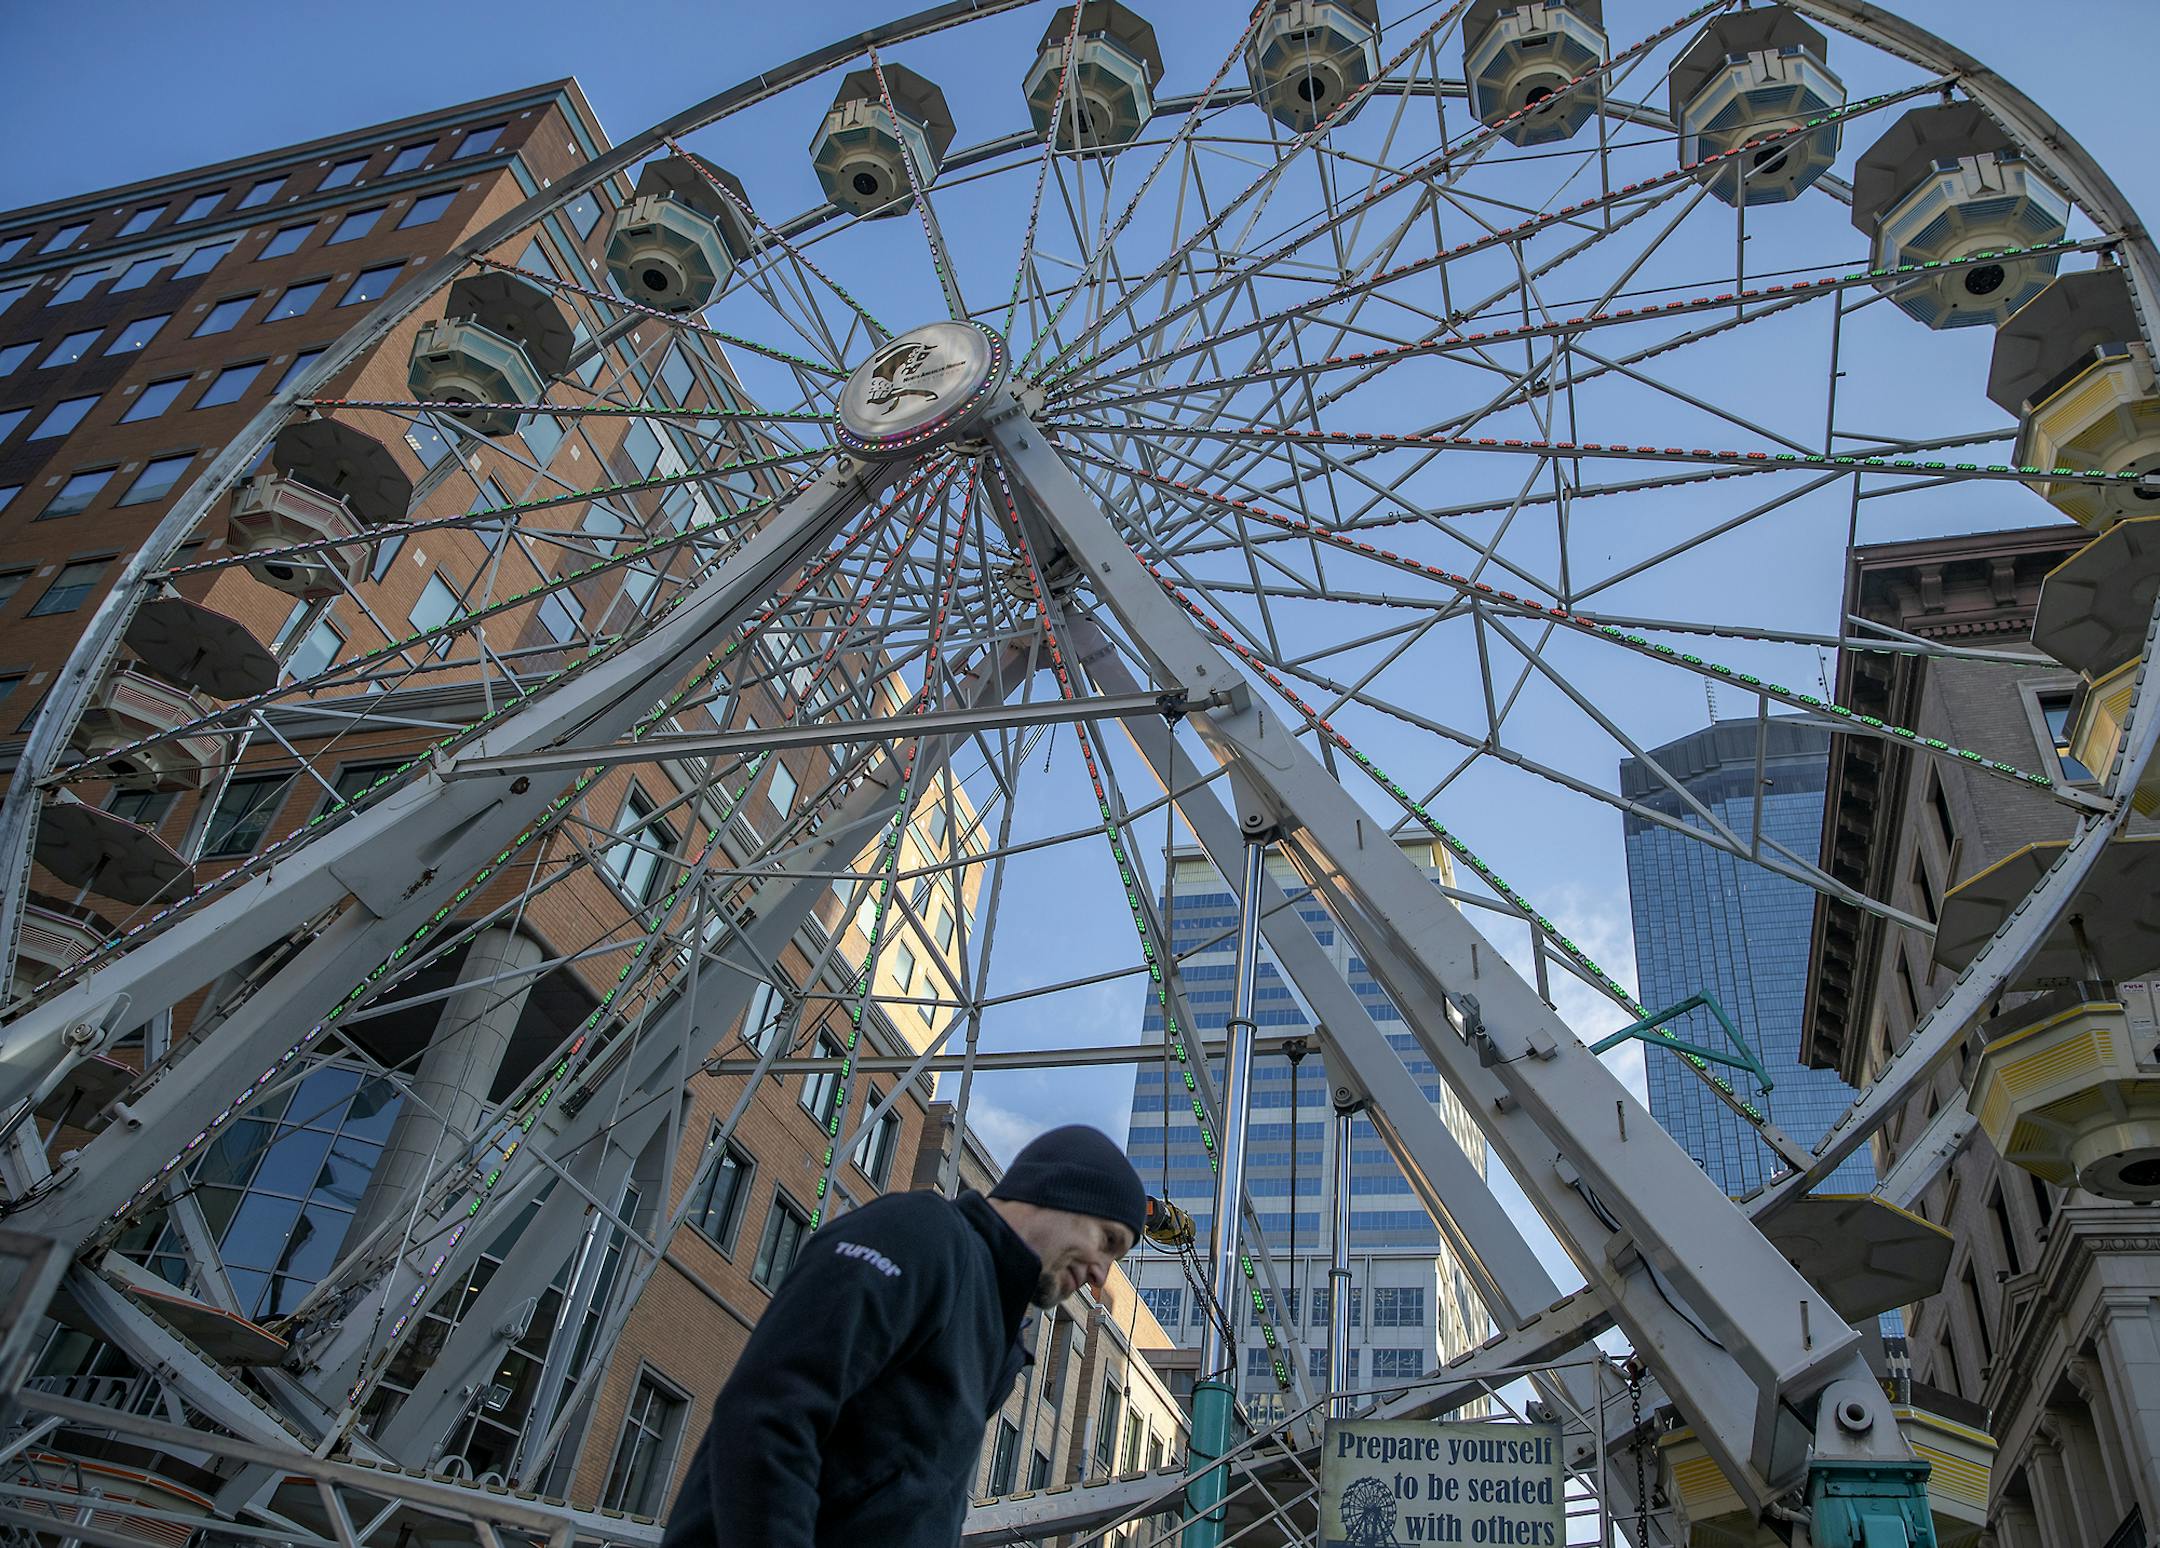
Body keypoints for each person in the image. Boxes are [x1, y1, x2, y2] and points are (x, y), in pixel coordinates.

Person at [661, 1124, 1146, 1548]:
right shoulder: (921, 1235)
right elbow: (770, 1411)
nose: (1103, 1275)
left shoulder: (992, 1324)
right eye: (1108, 1241)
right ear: (1061, 1191)